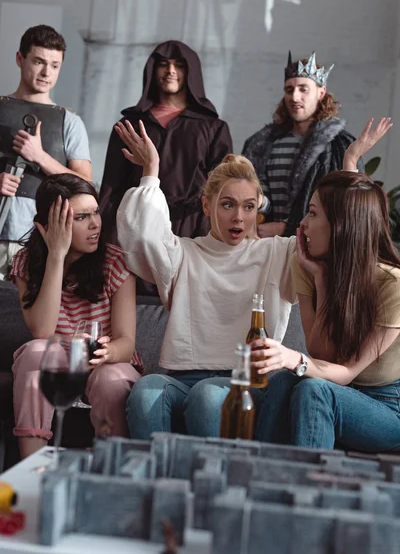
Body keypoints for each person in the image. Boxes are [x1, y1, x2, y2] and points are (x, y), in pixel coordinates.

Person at [113, 117, 386, 441]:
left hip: (249, 384)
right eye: (227, 205)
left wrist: (350, 164)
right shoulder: (182, 254)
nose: (238, 217)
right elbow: (141, 236)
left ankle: (215, 484)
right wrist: (151, 171)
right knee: (146, 390)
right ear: (207, 205)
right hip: (184, 379)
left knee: (208, 395)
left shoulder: (279, 253)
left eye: (248, 206)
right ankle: (156, 479)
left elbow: (340, 227)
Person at [252, 131, 400, 453]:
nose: (302, 224)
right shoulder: (306, 266)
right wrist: (321, 280)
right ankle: (256, 477)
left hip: (388, 407)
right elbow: (322, 356)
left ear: (342, 225)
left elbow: (345, 373)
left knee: (313, 390)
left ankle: (306, 497)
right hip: (337, 387)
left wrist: (291, 356)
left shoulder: (392, 285)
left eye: (313, 213)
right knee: (282, 381)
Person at [10, 173, 142, 459]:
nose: (95, 224)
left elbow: (126, 343)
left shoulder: (115, 262)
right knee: (36, 353)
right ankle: (32, 469)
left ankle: (110, 472)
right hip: (56, 359)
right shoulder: (25, 262)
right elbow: (42, 332)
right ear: (48, 226)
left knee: (110, 379)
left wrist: (107, 351)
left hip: (106, 363)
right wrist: (57, 256)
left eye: (95, 212)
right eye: (81, 217)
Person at [99, 40, 232, 296]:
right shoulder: (130, 125)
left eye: (178, 65)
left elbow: (221, 192)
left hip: (192, 232)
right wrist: (107, 243)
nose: (170, 70)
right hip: (136, 231)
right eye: (163, 64)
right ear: (152, 71)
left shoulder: (213, 129)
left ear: (190, 72)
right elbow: (111, 188)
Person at [0, 24, 91, 279]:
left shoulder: (70, 122)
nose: (46, 72)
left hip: (42, 241)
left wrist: (39, 156)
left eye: (54, 65)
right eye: (39, 61)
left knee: (30, 317)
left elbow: (85, 184)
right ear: (20, 59)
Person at [242, 51, 362, 239]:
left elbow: (346, 205)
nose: (295, 97)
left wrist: (287, 228)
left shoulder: (338, 146)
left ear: (321, 93)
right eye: (289, 90)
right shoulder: (261, 145)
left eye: (303, 89)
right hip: (264, 246)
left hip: (317, 244)